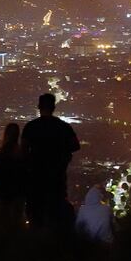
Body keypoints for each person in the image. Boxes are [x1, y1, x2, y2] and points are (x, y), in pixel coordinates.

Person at [21, 93, 81, 228]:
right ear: (53, 107)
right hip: (56, 180)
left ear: (39, 107)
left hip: (35, 181)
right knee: (55, 219)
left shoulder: (31, 127)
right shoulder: (64, 127)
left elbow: (23, 151)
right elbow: (75, 146)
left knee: (36, 220)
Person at [0, 123, 27, 222]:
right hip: (18, 196)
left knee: (2, 223)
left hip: (2, 195)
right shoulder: (22, 155)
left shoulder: (0, 155)